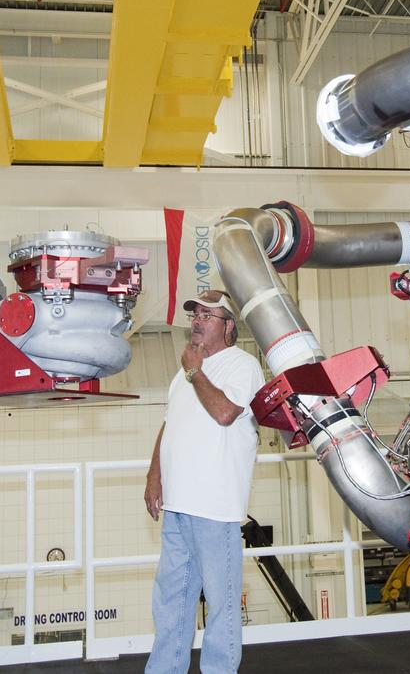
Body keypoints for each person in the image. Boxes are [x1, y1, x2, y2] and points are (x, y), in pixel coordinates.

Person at [144, 289, 264, 674]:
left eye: (207, 316)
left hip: (215, 507)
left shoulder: (242, 365)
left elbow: (225, 412)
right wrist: (154, 476)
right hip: (178, 505)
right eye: (195, 314)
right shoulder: (184, 373)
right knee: (170, 603)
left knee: (222, 606)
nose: (197, 320)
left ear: (228, 327)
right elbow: (170, 424)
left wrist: (196, 372)